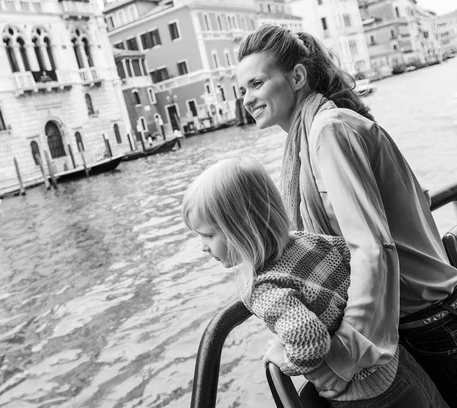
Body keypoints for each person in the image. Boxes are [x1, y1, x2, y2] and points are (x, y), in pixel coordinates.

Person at [236, 24, 457, 406]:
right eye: (242, 89)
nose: (247, 98)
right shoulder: (317, 134)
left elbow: (372, 248)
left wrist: (344, 356)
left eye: (256, 83)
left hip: (427, 325)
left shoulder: (329, 131)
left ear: (298, 77)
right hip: (419, 321)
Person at [181, 157, 447, 407]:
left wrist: (283, 360)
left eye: (207, 235)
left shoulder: (262, 286)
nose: (203, 247)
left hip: (365, 394)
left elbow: (308, 340)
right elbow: (355, 260)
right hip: (393, 359)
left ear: (241, 228)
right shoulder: (307, 241)